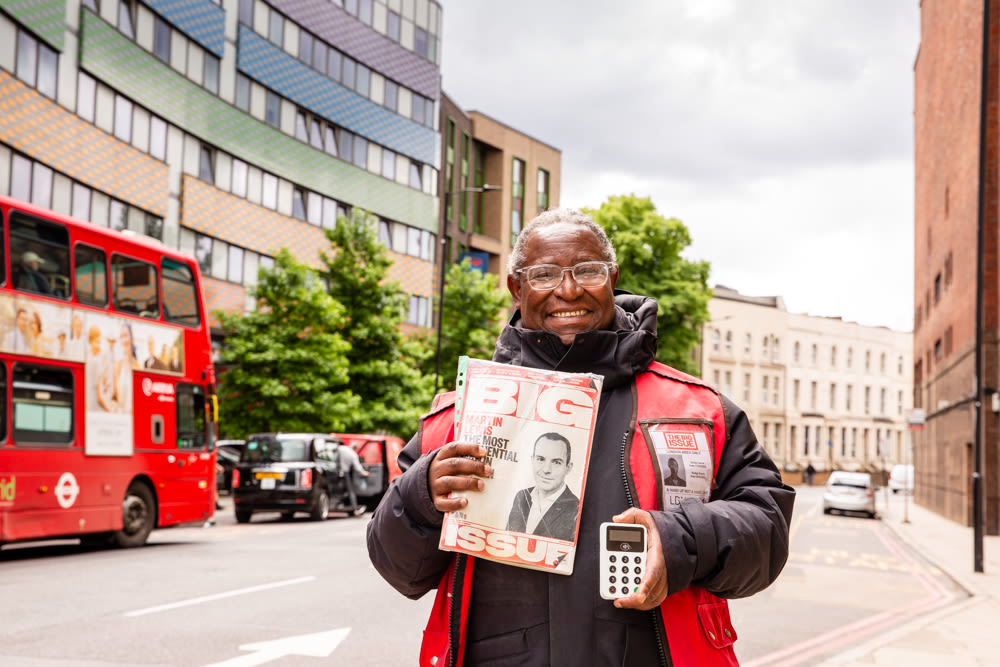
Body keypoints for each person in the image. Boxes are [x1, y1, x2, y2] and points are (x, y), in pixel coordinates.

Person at [367, 208, 794, 666]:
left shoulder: (698, 410)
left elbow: (767, 528)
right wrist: (421, 497)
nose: (567, 290)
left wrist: (680, 541)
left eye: (587, 271)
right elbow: (398, 567)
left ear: (611, 277)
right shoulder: (455, 419)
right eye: (544, 274)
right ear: (516, 287)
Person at [505, 432, 579, 541]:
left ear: (568, 467)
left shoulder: (577, 509)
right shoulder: (521, 496)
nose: (546, 470)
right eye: (540, 459)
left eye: (556, 462)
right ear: (532, 460)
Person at [85, 325, 114, 412]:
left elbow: (108, 380)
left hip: (100, 399)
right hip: (91, 398)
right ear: (90, 341)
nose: (98, 344)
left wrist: (106, 386)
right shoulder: (87, 356)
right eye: (95, 341)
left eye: (99, 341)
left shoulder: (104, 355)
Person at [337, 441, 369, 517]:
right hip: (345, 473)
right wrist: (364, 473)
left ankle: (338, 504)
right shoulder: (353, 455)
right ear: (355, 448)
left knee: (337, 489)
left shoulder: (341, 448)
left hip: (335, 472)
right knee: (351, 491)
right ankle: (355, 509)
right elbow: (358, 467)